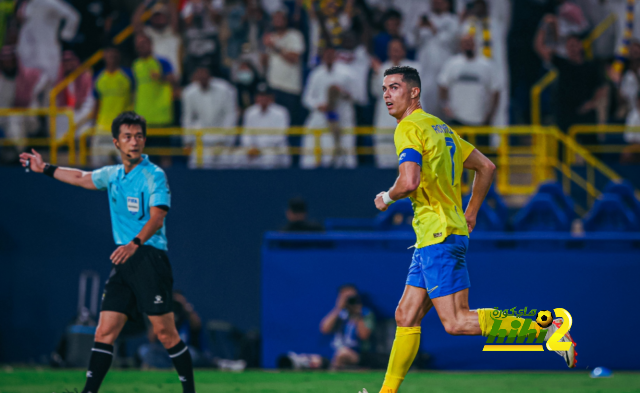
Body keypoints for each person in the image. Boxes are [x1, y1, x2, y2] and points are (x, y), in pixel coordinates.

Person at [359, 66, 576, 393]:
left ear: (414, 92)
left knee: (457, 321)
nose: (387, 95)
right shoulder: (440, 128)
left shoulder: (408, 128)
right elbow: (486, 167)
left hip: (438, 237)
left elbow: (409, 181)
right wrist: (470, 212)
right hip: (439, 235)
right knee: (405, 314)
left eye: (394, 87)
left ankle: (546, 329)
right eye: (385, 88)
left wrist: (386, 198)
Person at [19, 112, 196, 393]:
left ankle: (190, 391)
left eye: (138, 136)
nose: (134, 142)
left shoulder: (154, 175)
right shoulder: (113, 174)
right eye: (127, 137)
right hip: (124, 262)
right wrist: (46, 168)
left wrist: (134, 243)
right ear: (116, 142)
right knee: (103, 332)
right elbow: (80, 177)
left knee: (165, 333)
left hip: (149, 257)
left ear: (144, 140)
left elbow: (157, 217)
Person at [535, 30, 607, 133]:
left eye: (574, 45)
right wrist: (543, 26)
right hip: (564, 113)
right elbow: (540, 48)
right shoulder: (563, 64)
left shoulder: (591, 67)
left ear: (580, 45)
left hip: (584, 114)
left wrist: (591, 103)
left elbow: (601, 87)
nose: (572, 49)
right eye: (569, 46)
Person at [301, 46, 357, 169]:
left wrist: (341, 93)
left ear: (336, 56)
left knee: (347, 149)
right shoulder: (316, 74)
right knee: (322, 148)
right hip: (322, 117)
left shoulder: (346, 73)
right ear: (322, 56)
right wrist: (319, 106)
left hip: (343, 117)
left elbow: (356, 96)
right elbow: (307, 99)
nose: (329, 58)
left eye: (331, 55)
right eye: (326, 55)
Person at [372, 39, 420, 168]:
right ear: (388, 52)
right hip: (385, 121)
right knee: (384, 161)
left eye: (398, 49)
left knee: (408, 163)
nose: (395, 52)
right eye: (393, 49)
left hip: (407, 121)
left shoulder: (414, 68)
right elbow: (376, 92)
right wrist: (377, 74)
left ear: (404, 51)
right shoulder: (382, 69)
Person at [132, 33, 178, 166]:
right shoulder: (136, 65)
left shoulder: (162, 62)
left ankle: (166, 182)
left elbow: (174, 81)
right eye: (139, 46)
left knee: (164, 153)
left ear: (151, 45)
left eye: (144, 44)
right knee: (142, 154)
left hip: (161, 115)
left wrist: (161, 76)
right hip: (142, 117)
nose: (141, 47)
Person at [438, 34, 500, 128]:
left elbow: (495, 90)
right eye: (465, 43)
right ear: (461, 45)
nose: (468, 45)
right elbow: (442, 85)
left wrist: (490, 114)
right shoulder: (452, 63)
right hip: (456, 119)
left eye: (470, 43)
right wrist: (445, 106)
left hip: (480, 120)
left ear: (475, 44)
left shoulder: (486, 65)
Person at [181, 65, 238, 169]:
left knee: (226, 167)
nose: (202, 77)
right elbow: (187, 117)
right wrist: (187, 141)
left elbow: (231, 115)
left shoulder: (226, 89)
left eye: (205, 74)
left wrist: (227, 139)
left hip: (222, 139)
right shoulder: (189, 92)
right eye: (199, 74)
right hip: (201, 140)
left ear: (210, 76)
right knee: (195, 166)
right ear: (196, 76)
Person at [0, 45, 47, 163]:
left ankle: (18, 155)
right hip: (4, 120)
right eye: (5, 60)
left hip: (28, 119)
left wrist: (35, 93)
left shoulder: (27, 76)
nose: (8, 63)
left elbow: (45, 78)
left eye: (10, 59)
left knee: (16, 118)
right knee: (13, 118)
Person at [16, 0, 79, 85]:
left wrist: (66, 35)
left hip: (46, 53)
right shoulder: (28, 5)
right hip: (29, 52)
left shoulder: (50, 3)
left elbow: (73, 17)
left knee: (46, 87)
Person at [92, 45, 135, 167]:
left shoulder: (128, 75)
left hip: (123, 129)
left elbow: (135, 97)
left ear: (119, 56)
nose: (111, 56)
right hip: (102, 128)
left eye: (114, 54)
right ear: (104, 56)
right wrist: (93, 124)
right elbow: (97, 102)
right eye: (108, 53)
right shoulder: (98, 77)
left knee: (128, 165)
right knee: (98, 166)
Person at [415, 0, 458, 116]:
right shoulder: (426, 18)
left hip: (444, 66)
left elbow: (451, 41)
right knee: (425, 102)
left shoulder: (452, 20)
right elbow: (414, 41)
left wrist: (433, 29)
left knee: (444, 104)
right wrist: (417, 28)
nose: (437, 3)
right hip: (426, 69)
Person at [263, 7, 306, 126]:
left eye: (280, 18)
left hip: (290, 87)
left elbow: (294, 59)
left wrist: (275, 47)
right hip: (273, 85)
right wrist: (263, 51)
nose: (277, 21)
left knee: (289, 123)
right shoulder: (270, 37)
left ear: (286, 20)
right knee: (273, 124)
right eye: (275, 19)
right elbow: (266, 63)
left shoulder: (295, 36)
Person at [320, 284, 374, 370]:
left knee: (342, 354)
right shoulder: (339, 314)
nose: (349, 300)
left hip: (356, 353)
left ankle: (332, 376)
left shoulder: (365, 313)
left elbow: (364, 336)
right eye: (346, 297)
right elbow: (325, 329)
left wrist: (358, 315)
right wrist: (338, 308)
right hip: (333, 352)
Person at [241, 83, 291, 169]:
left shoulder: (281, 112)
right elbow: (246, 134)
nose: (263, 99)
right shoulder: (250, 112)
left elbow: (281, 136)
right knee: (237, 157)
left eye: (265, 96)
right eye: (260, 96)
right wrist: (251, 147)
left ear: (271, 98)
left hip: (274, 148)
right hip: (254, 149)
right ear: (256, 98)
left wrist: (261, 149)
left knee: (270, 158)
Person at [134, 2, 182, 79]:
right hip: (156, 76)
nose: (158, 18)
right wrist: (146, 2)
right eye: (155, 16)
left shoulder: (173, 31)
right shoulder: (149, 34)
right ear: (151, 19)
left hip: (174, 76)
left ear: (167, 17)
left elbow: (174, 16)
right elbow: (136, 23)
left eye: (161, 16)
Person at [54, 50, 95, 140]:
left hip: (82, 110)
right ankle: (62, 143)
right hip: (66, 111)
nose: (68, 64)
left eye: (70, 61)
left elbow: (89, 99)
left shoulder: (85, 78)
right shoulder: (60, 81)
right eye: (65, 61)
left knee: (85, 115)